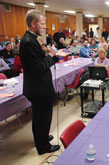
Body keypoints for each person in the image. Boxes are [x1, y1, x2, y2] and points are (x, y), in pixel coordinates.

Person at [19, 10, 69, 155]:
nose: (44, 27)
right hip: (38, 88)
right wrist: (52, 55)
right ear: (33, 23)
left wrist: (46, 54)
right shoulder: (28, 42)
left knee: (41, 117)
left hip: (39, 86)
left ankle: (42, 137)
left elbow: (38, 61)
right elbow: (38, 68)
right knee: (42, 117)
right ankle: (43, 146)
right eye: (42, 24)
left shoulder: (32, 39)